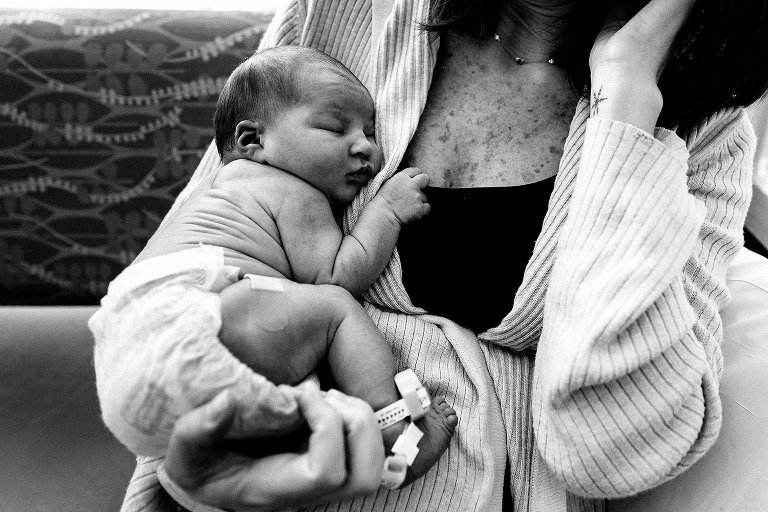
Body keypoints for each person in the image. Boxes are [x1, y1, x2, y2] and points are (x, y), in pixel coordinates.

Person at [110, 0, 768, 510]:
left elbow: (609, 451)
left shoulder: (698, 124)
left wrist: (625, 94)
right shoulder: (336, 20)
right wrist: (209, 481)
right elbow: (195, 275)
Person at [89, 44, 458, 500]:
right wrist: (386, 211)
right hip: (189, 326)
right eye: (333, 127)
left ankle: (224, 473)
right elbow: (334, 276)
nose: (366, 146)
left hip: (128, 361)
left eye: (370, 131)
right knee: (334, 308)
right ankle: (395, 429)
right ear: (252, 141)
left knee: (295, 396)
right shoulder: (287, 188)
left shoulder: (218, 191)